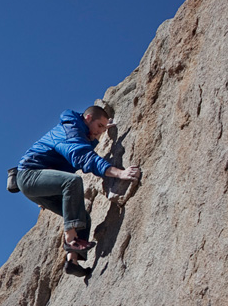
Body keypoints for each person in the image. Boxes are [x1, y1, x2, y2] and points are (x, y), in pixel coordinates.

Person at [16, 105, 141, 277]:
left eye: (103, 129)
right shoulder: (70, 130)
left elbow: (83, 144)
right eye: (99, 126)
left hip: (36, 186)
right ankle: (71, 240)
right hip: (30, 175)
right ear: (88, 118)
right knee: (72, 182)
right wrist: (120, 173)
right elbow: (83, 157)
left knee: (82, 216)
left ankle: (72, 262)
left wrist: (101, 131)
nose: (100, 132)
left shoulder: (80, 132)